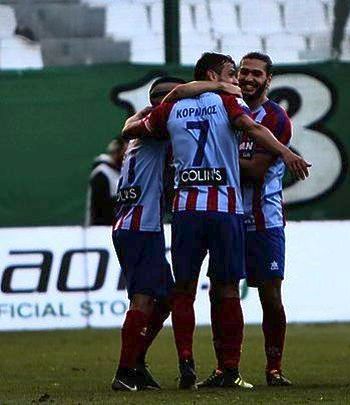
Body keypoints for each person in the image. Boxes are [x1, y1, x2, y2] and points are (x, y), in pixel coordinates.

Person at [122, 52, 310, 390]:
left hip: (187, 211)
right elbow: (252, 128)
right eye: (233, 74)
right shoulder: (227, 102)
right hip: (225, 210)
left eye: (246, 74)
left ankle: (187, 363)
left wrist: (145, 114)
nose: (239, 80)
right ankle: (230, 368)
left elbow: (133, 131)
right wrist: (286, 152)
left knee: (184, 290)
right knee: (226, 289)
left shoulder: (172, 108)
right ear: (213, 75)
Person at [110, 76, 186, 391]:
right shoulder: (156, 127)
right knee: (142, 297)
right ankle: (125, 371)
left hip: (138, 225)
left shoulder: (142, 126)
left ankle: (136, 362)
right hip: (139, 226)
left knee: (166, 298)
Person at [86, 137, 125, 226]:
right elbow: (101, 209)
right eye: (125, 153)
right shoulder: (101, 173)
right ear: (116, 152)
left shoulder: (120, 173)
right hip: (102, 230)